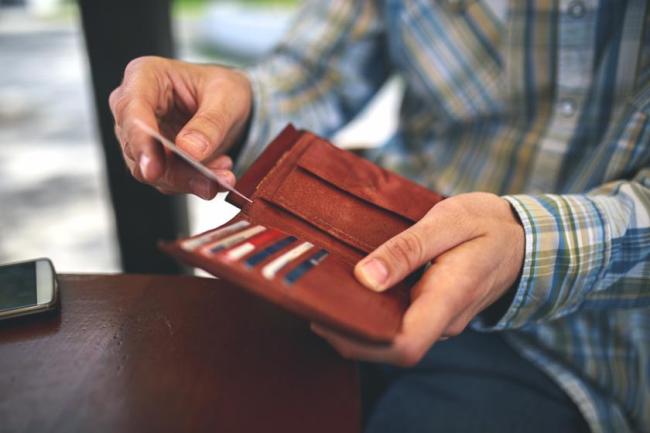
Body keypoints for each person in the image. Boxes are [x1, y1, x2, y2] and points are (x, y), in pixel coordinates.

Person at [109, 1, 650, 432]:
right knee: (163, 393)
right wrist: (240, 103)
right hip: (363, 261)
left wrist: (529, 245)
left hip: (584, 345)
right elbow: (315, 69)